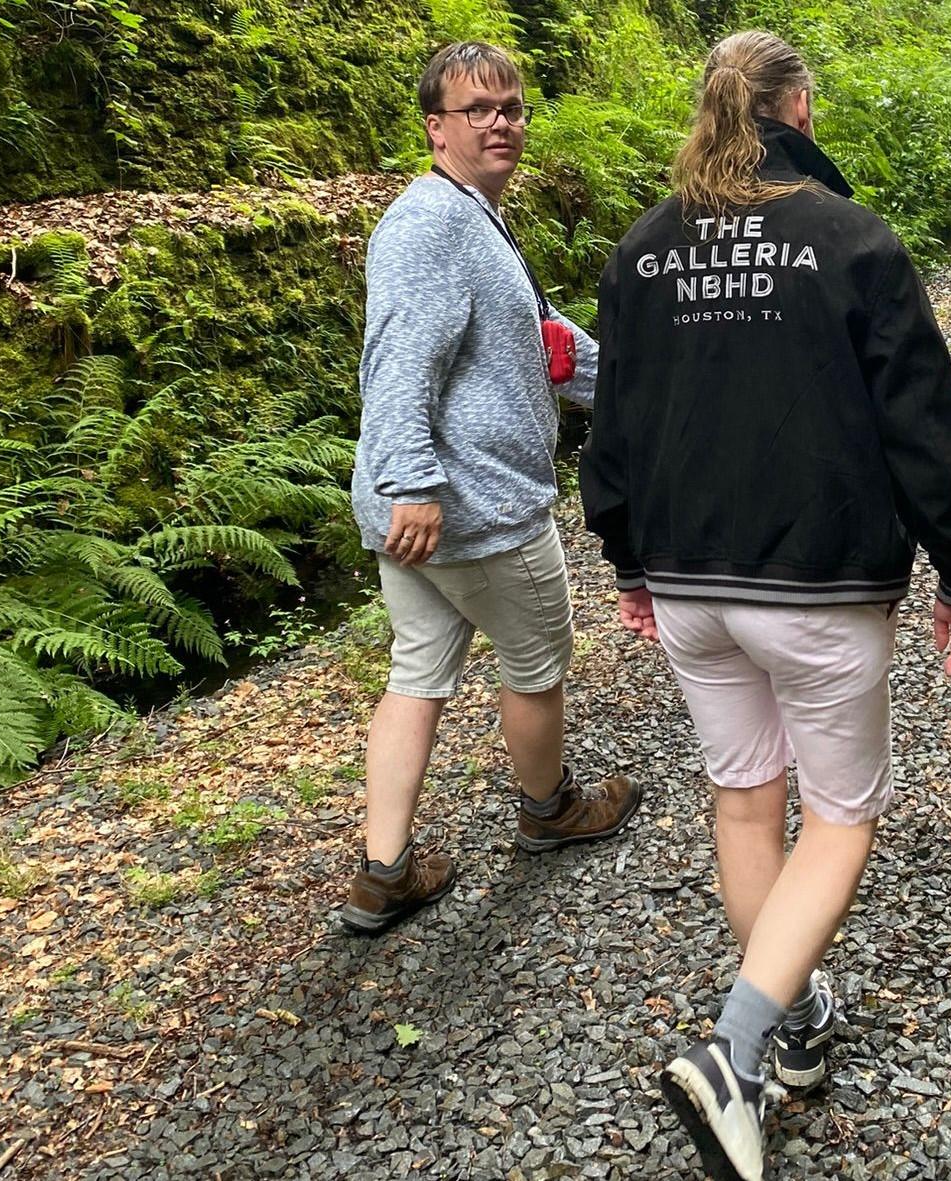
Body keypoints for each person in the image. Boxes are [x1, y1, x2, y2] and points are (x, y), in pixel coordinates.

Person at [580, 29, 951, 1181]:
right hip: (818, 584)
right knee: (842, 816)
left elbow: (610, 430)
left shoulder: (640, 250)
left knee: (744, 806)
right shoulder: (851, 240)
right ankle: (734, 1051)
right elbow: (922, 425)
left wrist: (625, 561)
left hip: (690, 588)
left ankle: (797, 1019)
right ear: (798, 109)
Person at [343, 41, 642, 936]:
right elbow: (400, 357)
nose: (501, 123)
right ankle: (549, 811)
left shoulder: (474, 215)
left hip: (426, 516)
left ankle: (384, 871)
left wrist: (633, 382)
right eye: (478, 110)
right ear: (436, 127)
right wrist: (414, 481)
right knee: (537, 662)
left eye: (510, 107)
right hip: (470, 510)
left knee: (417, 671)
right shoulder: (431, 223)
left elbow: (537, 339)